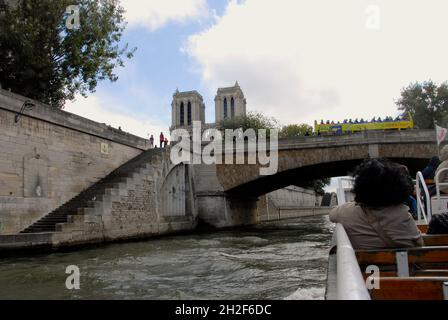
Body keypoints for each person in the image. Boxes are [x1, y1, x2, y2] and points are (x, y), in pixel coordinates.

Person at [330, 159, 424, 250]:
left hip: (364, 265)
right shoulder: (402, 214)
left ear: (360, 187)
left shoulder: (346, 212)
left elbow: (332, 214)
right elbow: (419, 244)